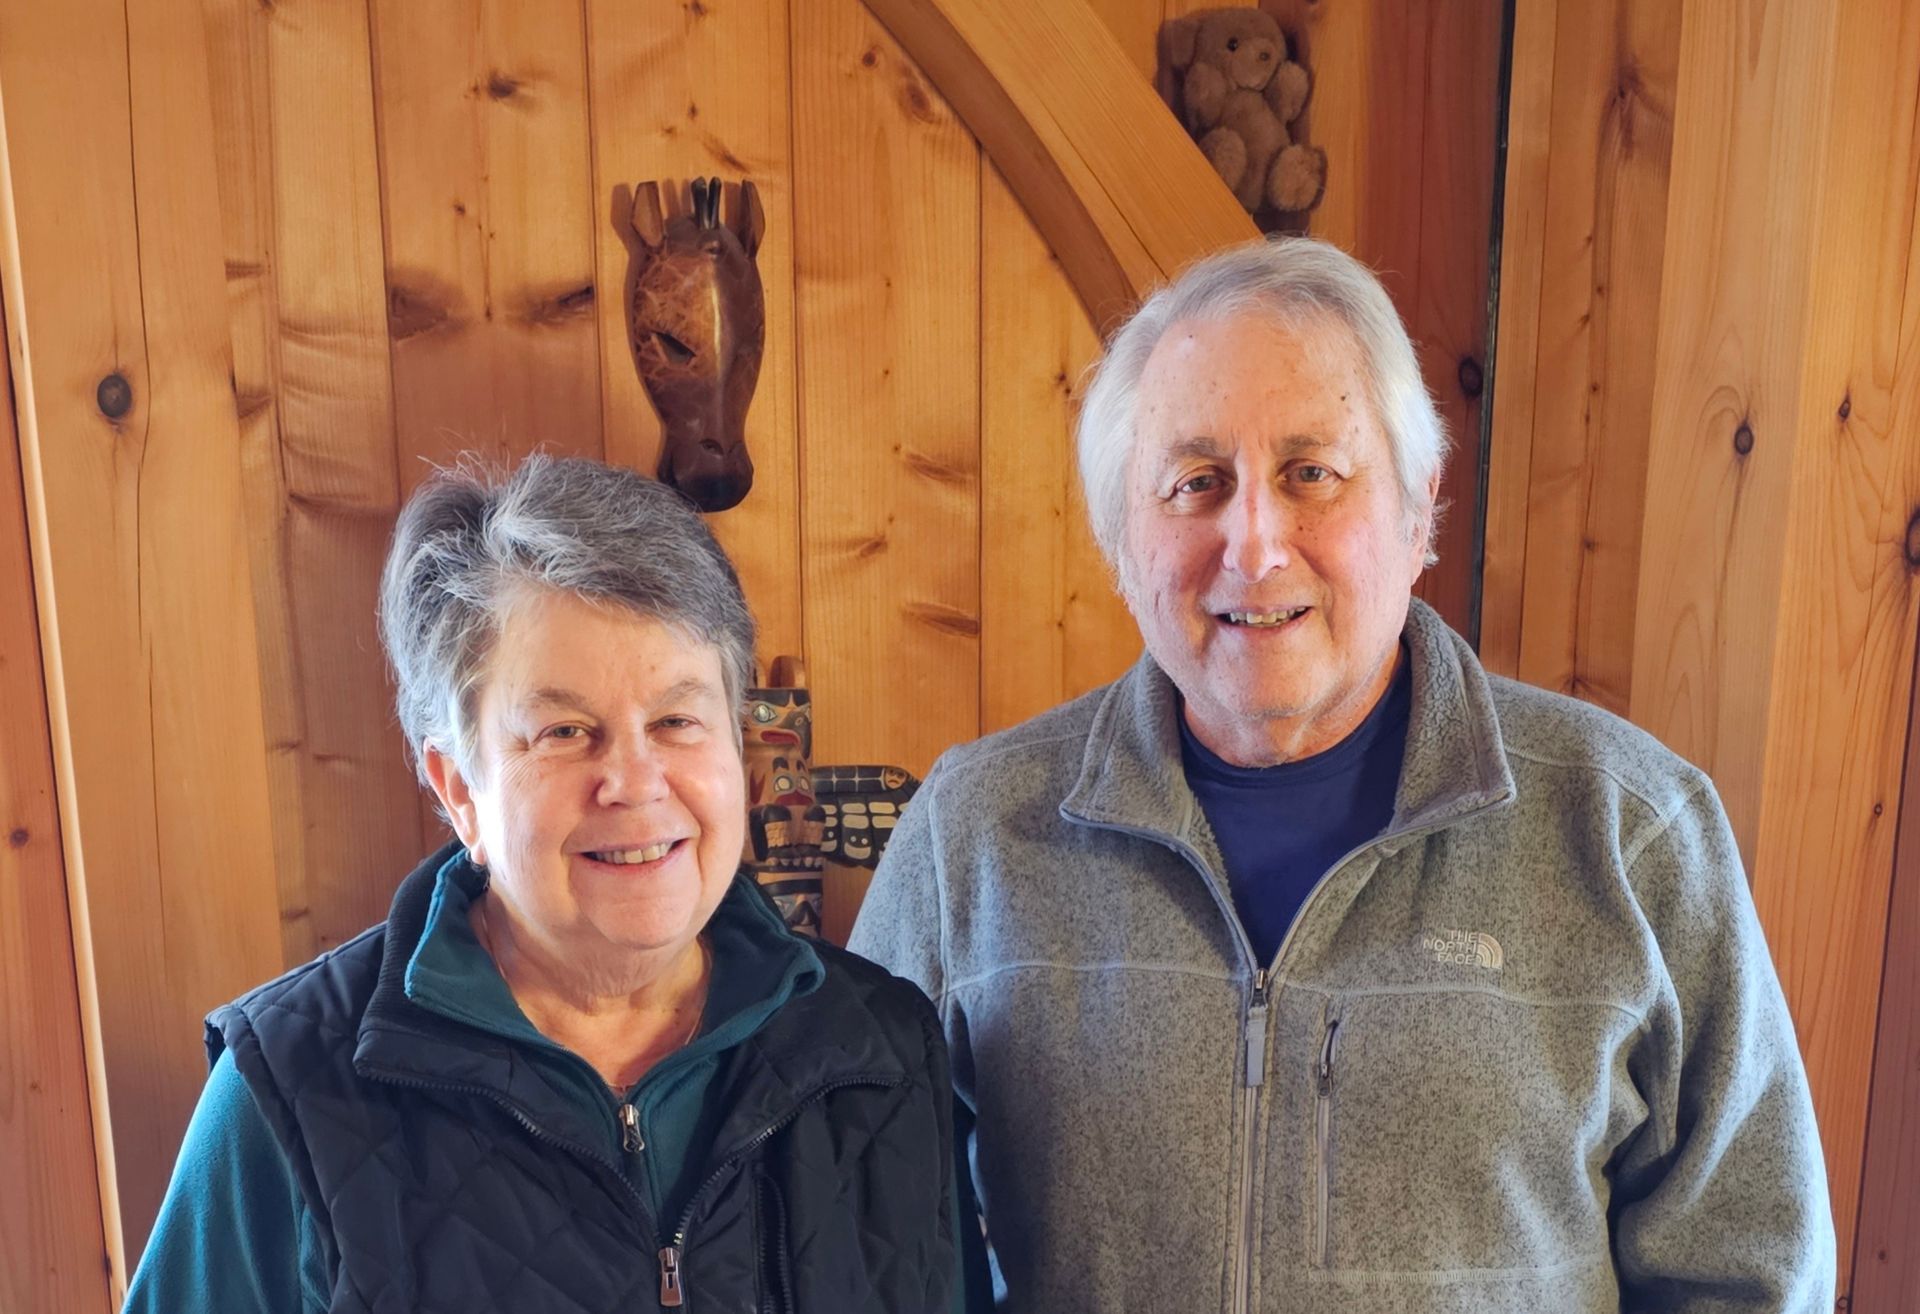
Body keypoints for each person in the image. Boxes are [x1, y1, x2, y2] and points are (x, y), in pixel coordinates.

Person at [850, 237, 1836, 1313]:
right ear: (1120, 544)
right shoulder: (974, 835)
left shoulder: (1632, 831)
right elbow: (856, 1238)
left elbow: (1751, 1274)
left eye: (1310, 472)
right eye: (1196, 484)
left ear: (1417, 513)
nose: (1257, 544)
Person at [127, 455, 978, 1313]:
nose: (637, 782)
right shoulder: (288, 1085)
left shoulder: (885, 1050)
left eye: (678, 720)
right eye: (566, 731)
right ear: (460, 787)